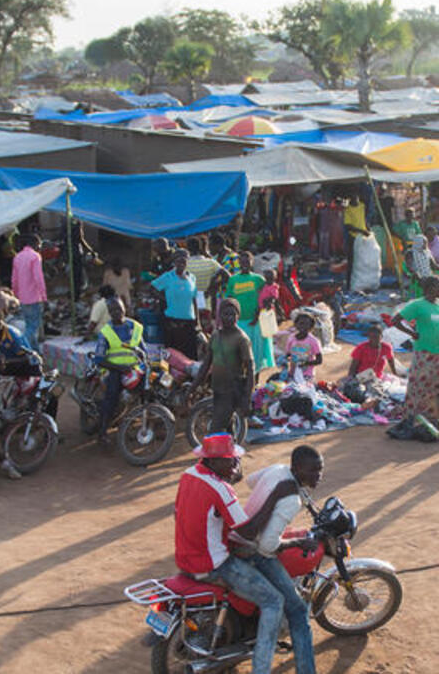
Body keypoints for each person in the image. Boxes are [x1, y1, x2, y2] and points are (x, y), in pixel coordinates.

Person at [174, 433, 314, 674]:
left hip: (186, 555)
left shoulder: (189, 474)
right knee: (274, 601)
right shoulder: (221, 489)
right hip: (214, 564)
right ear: (214, 461)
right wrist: (276, 495)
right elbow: (249, 533)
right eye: (231, 460)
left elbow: (178, 511)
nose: (236, 465)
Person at [238, 446, 325, 672]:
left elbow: (250, 481)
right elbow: (268, 547)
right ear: (297, 468)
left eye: (320, 469)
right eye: (312, 471)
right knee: (297, 610)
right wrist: (297, 543)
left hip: (240, 537)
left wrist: (267, 497)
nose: (318, 475)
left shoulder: (278, 469)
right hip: (255, 552)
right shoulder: (291, 500)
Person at [396, 275, 439, 426]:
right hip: (424, 352)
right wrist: (412, 333)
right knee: (421, 387)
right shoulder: (418, 305)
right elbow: (395, 320)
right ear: (429, 289)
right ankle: (417, 417)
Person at [94, 295, 148, 439]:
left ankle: (152, 422)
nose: (116, 312)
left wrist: (145, 363)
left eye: (119, 308)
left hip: (133, 368)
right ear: (109, 312)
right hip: (114, 370)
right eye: (112, 310)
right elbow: (99, 359)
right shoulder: (106, 332)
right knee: (111, 397)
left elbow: (143, 350)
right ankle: (103, 431)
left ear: (125, 307)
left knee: (150, 389)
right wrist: (120, 368)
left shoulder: (135, 327)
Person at [201, 298, 254, 436]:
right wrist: (193, 388)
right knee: (228, 431)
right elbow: (206, 364)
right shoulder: (215, 336)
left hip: (232, 391)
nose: (229, 318)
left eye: (233, 314)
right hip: (217, 388)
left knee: (215, 431)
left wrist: (247, 398)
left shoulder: (242, 339)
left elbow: (250, 370)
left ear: (238, 316)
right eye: (226, 314)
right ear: (219, 315)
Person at [152, 251, 201, 359]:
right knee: (173, 355)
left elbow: (194, 300)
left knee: (189, 355)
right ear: (174, 262)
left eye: (184, 261)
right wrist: (165, 299)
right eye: (179, 261)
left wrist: (198, 321)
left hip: (189, 322)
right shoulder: (168, 276)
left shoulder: (192, 278)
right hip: (172, 322)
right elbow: (153, 288)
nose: (181, 263)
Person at [339, 323, 398, 409]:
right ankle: (366, 402)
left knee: (374, 390)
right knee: (352, 389)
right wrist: (351, 378)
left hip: (375, 377)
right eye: (371, 337)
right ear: (368, 337)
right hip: (360, 376)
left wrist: (395, 373)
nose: (374, 340)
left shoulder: (386, 348)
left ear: (381, 337)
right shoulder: (361, 347)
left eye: (376, 337)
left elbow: (391, 361)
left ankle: (368, 402)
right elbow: (353, 366)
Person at [11, 233, 47, 342]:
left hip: (22, 297)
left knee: (29, 325)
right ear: (35, 244)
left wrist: (16, 294)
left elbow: (14, 279)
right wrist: (44, 296)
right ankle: (21, 342)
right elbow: (38, 278)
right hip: (34, 297)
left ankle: (33, 349)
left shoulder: (17, 257)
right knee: (33, 327)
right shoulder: (35, 256)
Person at [281, 312, 323, 385]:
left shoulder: (313, 341)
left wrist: (306, 363)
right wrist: (284, 360)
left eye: (307, 324)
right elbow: (288, 354)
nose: (303, 326)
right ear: (296, 324)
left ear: (311, 327)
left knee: (303, 390)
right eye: (301, 323)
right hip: (292, 373)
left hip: (307, 375)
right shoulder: (291, 338)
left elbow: (319, 360)